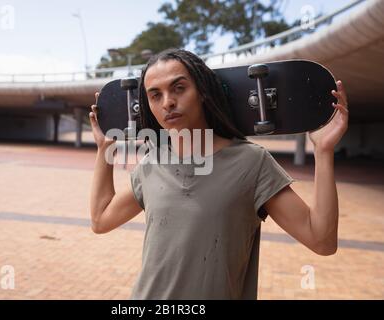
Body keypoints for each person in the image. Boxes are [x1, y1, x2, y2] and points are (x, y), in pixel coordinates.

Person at [88, 49, 349, 300]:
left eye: (179, 88)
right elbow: (100, 220)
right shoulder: (150, 165)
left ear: (202, 92)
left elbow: (321, 241)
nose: (167, 102)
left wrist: (323, 152)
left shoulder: (251, 162)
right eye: (155, 95)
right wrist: (104, 150)